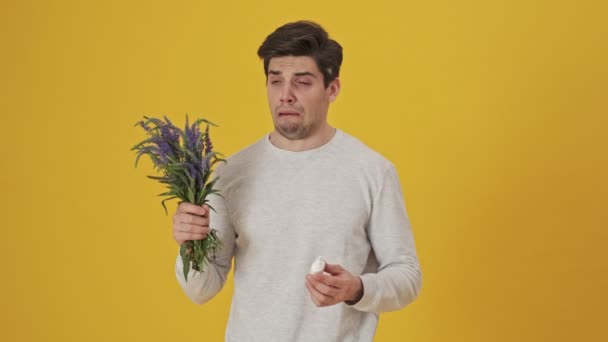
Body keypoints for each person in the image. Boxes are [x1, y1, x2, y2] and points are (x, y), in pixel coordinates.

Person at [172, 20, 422, 341]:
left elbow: (407, 276)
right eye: (276, 81)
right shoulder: (230, 174)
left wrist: (358, 288)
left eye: (302, 82)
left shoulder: (373, 171)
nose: (285, 95)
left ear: (332, 89)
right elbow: (201, 290)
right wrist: (190, 245)